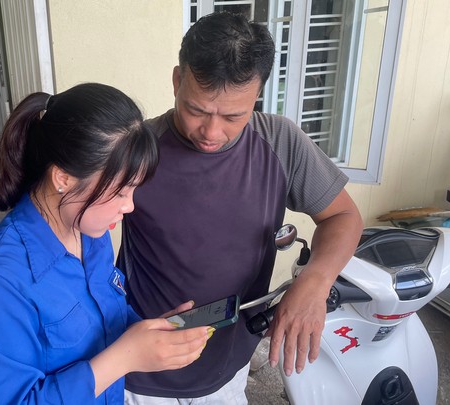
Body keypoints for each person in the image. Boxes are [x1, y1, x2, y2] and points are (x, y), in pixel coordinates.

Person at [117, 12, 364, 404]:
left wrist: (316, 281)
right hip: (139, 374)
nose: (212, 132)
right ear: (177, 81)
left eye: (233, 116)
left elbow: (343, 216)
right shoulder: (137, 150)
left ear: (258, 93)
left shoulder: (280, 142)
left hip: (228, 368)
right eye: (197, 110)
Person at [0, 83, 213, 404]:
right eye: (120, 192)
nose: (130, 206)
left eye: (134, 190)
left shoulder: (91, 234)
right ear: (63, 178)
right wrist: (125, 357)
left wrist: (148, 335)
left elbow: (102, 322)